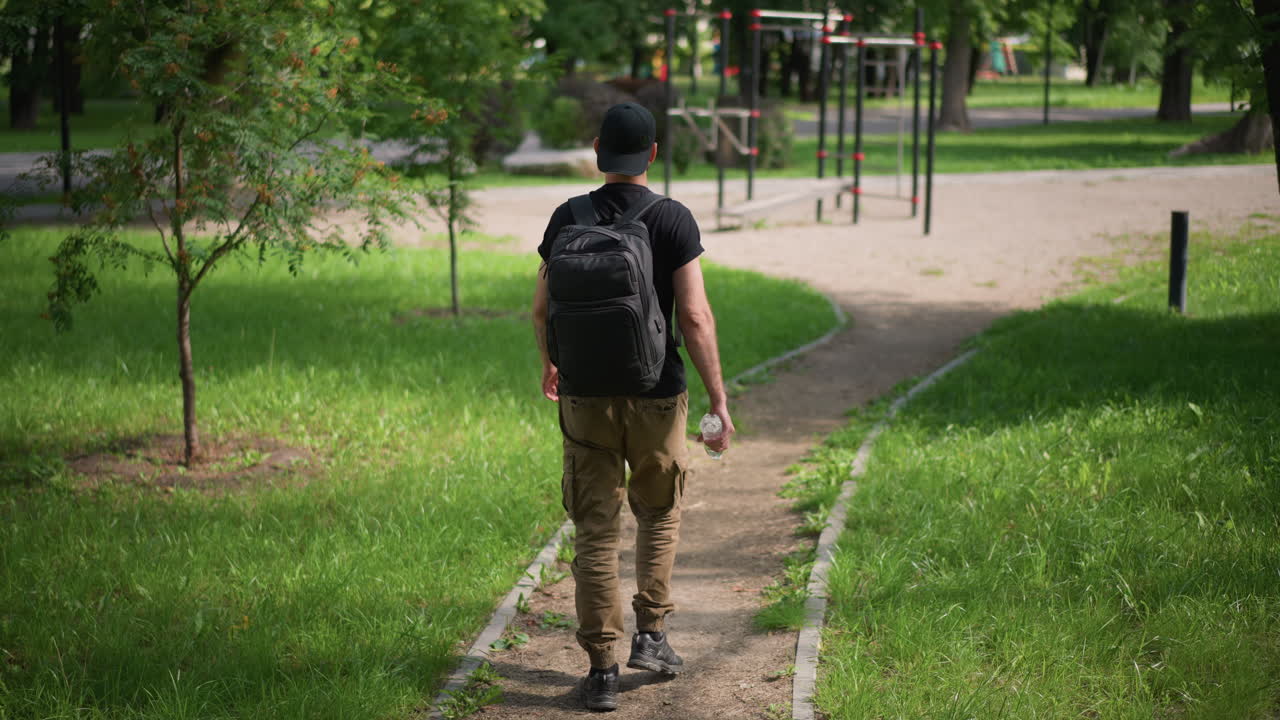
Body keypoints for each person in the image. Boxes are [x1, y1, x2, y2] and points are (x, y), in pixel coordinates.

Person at [531, 102, 735, 712]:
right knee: (659, 513)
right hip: (657, 397)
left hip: (584, 397)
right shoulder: (672, 219)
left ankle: (600, 671)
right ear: (652, 153)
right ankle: (651, 636)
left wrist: (551, 362)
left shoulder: (568, 215)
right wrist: (719, 401)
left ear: (598, 151)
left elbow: (541, 310)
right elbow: (694, 317)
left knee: (595, 532)